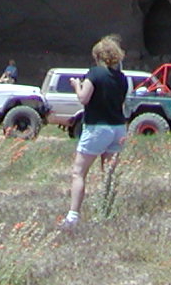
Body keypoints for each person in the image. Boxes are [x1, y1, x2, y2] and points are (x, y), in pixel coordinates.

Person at [64, 35, 130, 228]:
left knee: (78, 173)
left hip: (97, 127)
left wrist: (77, 86)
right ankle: (106, 213)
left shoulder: (94, 74)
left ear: (98, 56)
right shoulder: (122, 78)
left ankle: (73, 216)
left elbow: (84, 99)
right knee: (108, 175)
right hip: (118, 128)